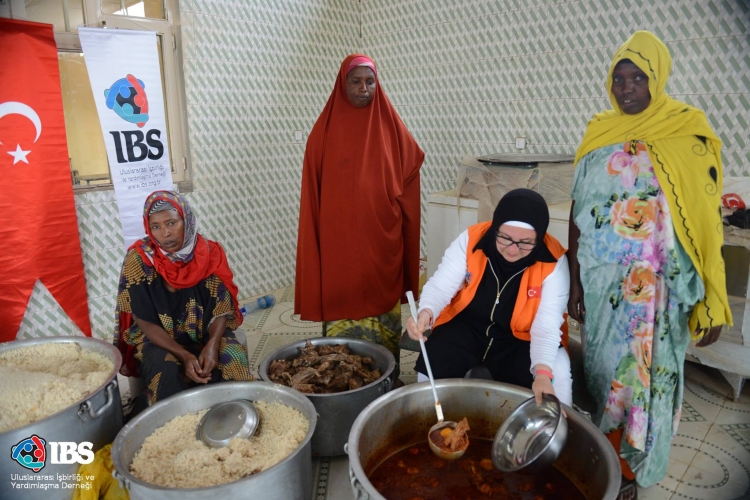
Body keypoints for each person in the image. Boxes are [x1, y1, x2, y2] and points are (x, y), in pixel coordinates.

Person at [567, 31, 732, 499]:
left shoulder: (686, 131)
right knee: (606, 376)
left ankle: (635, 470)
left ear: (657, 79)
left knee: (652, 382)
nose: (626, 88)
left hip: (660, 294)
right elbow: (578, 210)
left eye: (638, 77)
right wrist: (576, 279)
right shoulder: (599, 132)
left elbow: (705, 224)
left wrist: (711, 300)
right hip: (605, 289)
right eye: (619, 78)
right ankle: (609, 459)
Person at [295, 54, 424, 366]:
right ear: (343, 83)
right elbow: (313, 193)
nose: (364, 88)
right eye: (356, 81)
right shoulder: (322, 134)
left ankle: (386, 374)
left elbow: (411, 171)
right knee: (344, 310)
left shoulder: (392, 127)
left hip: (383, 239)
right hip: (339, 243)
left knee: (383, 314)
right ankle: (342, 379)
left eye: (370, 81)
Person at [406, 188, 573, 407]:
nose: (513, 250)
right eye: (504, 238)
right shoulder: (472, 240)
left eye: (526, 242)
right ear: (495, 228)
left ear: (540, 237)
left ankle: (552, 432)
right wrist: (426, 311)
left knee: (556, 376)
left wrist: (542, 373)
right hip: (468, 325)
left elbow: (546, 325)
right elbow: (440, 286)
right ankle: (427, 413)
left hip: (522, 336)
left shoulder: (554, 261)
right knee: (436, 355)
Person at [115, 191, 253, 418]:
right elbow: (144, 319)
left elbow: (221, 306)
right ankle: (176, 428)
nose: (165, 233)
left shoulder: (210, 252)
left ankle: (233, 418)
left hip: (204, 333)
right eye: (156, 226)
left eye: (171, 223)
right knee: (165, 371)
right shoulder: (139, 260)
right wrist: (184, 355)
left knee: (232, 357)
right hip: (160, 340)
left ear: (185, 219)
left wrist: (212, 344)